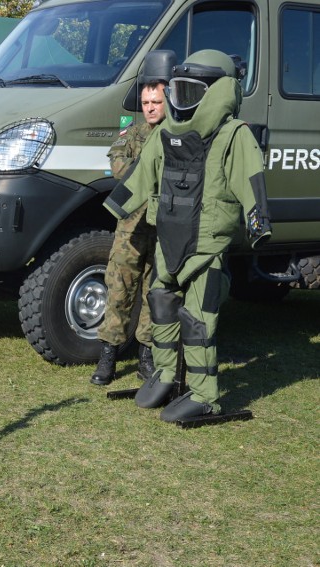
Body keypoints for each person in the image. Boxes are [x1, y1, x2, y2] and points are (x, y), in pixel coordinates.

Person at [104, 50, 271, 421]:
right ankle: (165, 374)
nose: (182, 97)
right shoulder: (166, 133)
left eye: (194, 89)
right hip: (169, 237)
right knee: (161, 301)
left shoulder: (233, 134)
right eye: (180, 88)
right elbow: (142, 174)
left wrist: (259, 224)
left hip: (206, 245)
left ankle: (204, 394)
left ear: (218, 91)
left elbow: (251, 180)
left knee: (198, 319)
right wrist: (118, 205)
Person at [91, 77, 167, 386]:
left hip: (162, 226)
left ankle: (146, 357)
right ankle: (108, 355)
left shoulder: (177, 134)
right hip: (132, 226)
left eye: (156, 102)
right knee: (119, 289)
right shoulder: (133, 134)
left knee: (154, 292)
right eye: (146, 103)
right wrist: (149, 170)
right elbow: (118, 165)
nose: (150, 108)